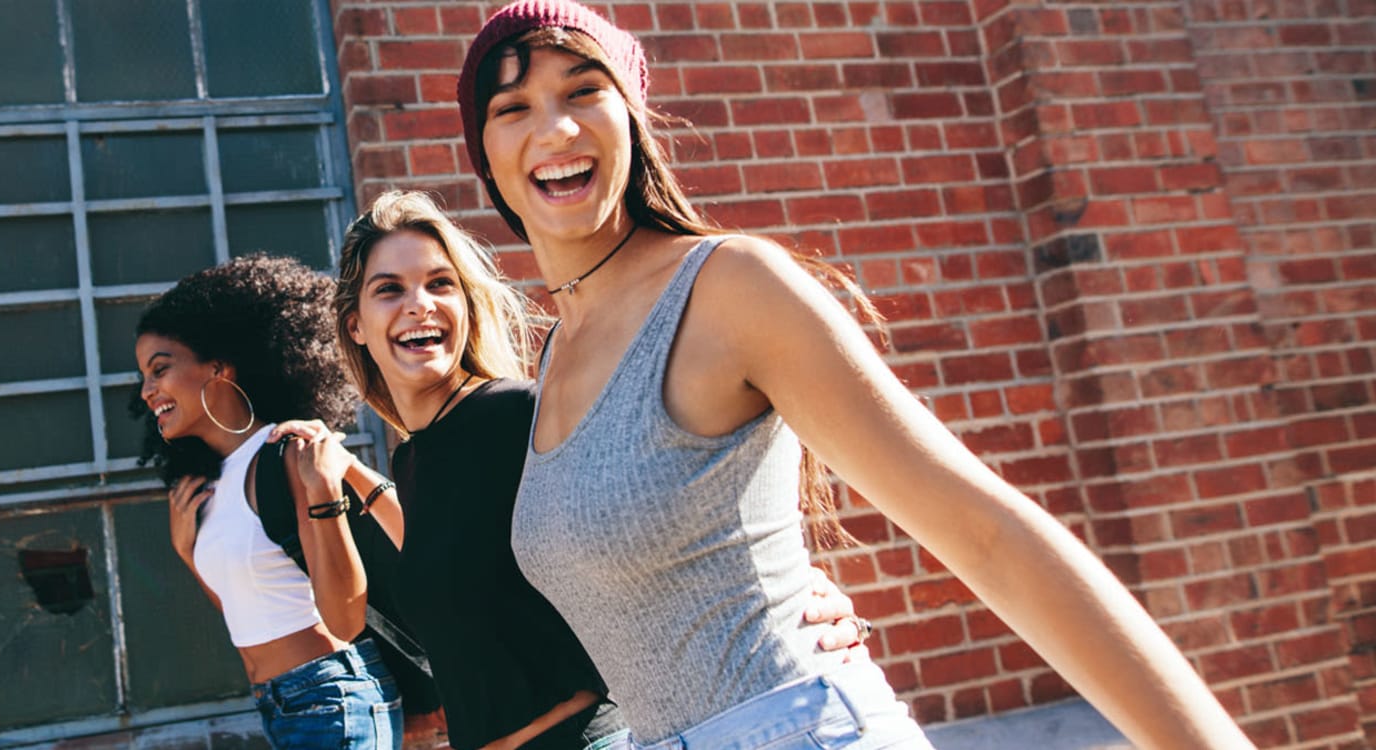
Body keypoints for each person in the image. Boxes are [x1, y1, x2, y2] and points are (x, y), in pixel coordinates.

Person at [451, 2, 1256, 748]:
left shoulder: (727, 288)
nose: (553, 129)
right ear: (483, 151)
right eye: (512, 108)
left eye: (584, 91)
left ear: (631, 115)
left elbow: (987, 533)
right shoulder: (555, 351)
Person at [275, 189, 869, 750]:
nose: (420, 305)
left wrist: (797, 597)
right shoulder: (414, 455)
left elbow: (658, 515)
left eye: (439, 283)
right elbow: (455, 559)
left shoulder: (517, 416)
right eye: (389, 290)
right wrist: (349, 476)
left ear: (465, 301)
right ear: (355, 324)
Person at [134, 254, 404, 749]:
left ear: (217, 366)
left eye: (159, 370)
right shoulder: (207, 485)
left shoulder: (286, 455)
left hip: (332, 697)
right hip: (280, 705)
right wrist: (187, 553)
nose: (148, 391)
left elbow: (344, 619)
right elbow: (246, 606)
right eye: (144, 378)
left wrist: (324, 494)